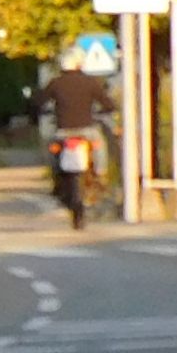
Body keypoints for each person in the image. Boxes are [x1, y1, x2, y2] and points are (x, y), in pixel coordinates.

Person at [40, 45, 115, 229]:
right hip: (86, 131)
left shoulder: (55, 83)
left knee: (53, 150)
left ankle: (56, 179)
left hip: (63, 131)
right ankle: (99, 174)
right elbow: (108, 104)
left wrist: (43, 111)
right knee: (99, 146)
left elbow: (38, 101)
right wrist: (103, 110)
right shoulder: (90, 82)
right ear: (80, 64)